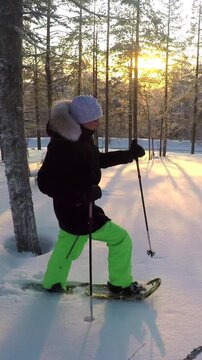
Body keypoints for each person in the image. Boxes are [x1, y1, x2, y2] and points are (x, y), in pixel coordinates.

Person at [37, 95, 145, 296]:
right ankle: (120, 284)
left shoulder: (82, 137)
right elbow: (45, 183)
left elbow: (95, 160)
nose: (98, 121)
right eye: (93, 118)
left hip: (74, 209)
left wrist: (128, 154)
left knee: (69, 246)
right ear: (79, 119)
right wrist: (81, 195)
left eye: (98, 117)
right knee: (121, 239)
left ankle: (53, 282)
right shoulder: (64, 144)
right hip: (77, 209)